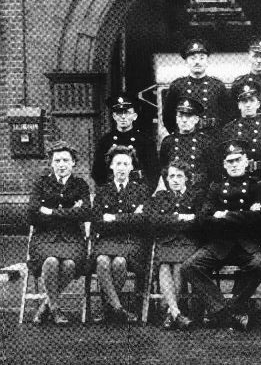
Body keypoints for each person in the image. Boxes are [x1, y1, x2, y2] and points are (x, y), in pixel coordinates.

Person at [181, 140, 261, 331]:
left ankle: (236, 305)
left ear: (246, 161)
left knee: (259, 264)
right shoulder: (216, 187)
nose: (234, 164)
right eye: (230, 161)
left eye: (238, 160)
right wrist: (244, 215)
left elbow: (259, 218)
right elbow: (203, 218)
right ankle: (221, 310)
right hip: (220, 243)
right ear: (224, 164)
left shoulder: (257, 186)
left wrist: (225, 215)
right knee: (190, 266)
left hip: (247, 244)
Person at [26, 141, 92, 325]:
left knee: (70, 264)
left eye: (65, 160)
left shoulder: (80, 185)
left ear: (73, 163)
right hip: (44, 238)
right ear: (51, 163)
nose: (61, 164)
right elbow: (32, 214)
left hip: (72, 238)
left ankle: (45, 306)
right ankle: (55, 309)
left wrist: (50, 211)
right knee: (51, 261)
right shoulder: (41, 183)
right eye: (57, 160)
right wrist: (71, 211)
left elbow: (86, 212)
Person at [91, 145, 153, 324]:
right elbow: (98, 223)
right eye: (117, 163)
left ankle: (108, 308)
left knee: (119, 262)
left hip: (132, 242)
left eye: (126, 163)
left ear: (131, 167)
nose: (121, 168)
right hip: (106, 241)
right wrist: (130, 218)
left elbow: (144, 221)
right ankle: (118, 308)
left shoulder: (141, 191)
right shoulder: (102, 191)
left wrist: (114, 218)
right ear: (111, 166)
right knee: (102, 260)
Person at [145, 161, 204, 330]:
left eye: (179, 176)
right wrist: (180, 218)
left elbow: (199, 221)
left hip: (187, 241)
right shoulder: (160, 197)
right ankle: (176, 313)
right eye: (171, 176)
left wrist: (170, 221)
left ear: (187, 178)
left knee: (178, 265)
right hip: (165, 242)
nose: (175, 180)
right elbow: (153, 221)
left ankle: (170, 313)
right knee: (163, 265)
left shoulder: (196, 196)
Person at [162, 38, 232, 136]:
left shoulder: (217, 86)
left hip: (212, 138)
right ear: (186, 62)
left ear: (207, 61)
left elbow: (228, 115)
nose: (197, 62)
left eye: (202, 58)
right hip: (186, 139)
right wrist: (178, 136)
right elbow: (168, 117)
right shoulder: (177, 86)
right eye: (193, 58)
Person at [221, 81, 261, 182]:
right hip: (237, 182)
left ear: (258, 104)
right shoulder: (229, 130)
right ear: (239, 105)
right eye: (244, 101)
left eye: (252, 101)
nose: (248, 105)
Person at [92, 93, 157, 187]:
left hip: (137, 192)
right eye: (119, 113)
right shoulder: (105, 141)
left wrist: (144, 194)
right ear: (114, 116)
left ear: (134, 116)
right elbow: (97, 172)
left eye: (127, 112)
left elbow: (153, 173)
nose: (123, 116)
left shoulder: (145, 141)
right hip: (112, 192)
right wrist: (106, 192)